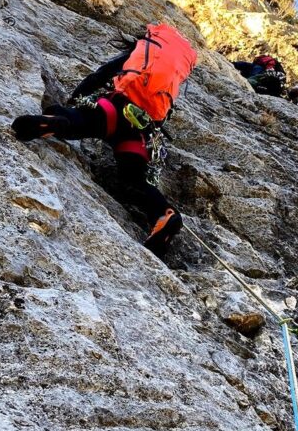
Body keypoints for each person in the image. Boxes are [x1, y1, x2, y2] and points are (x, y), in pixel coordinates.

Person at [12, 24, 197, 258]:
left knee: (81, 120)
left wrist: (74, 99)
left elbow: (99, 76)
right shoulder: (172, 79)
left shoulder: (138, 57)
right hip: (140, 130)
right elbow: (161, 116)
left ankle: (57, 121)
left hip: (113, 109)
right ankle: (165, 214)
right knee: (134, 180)